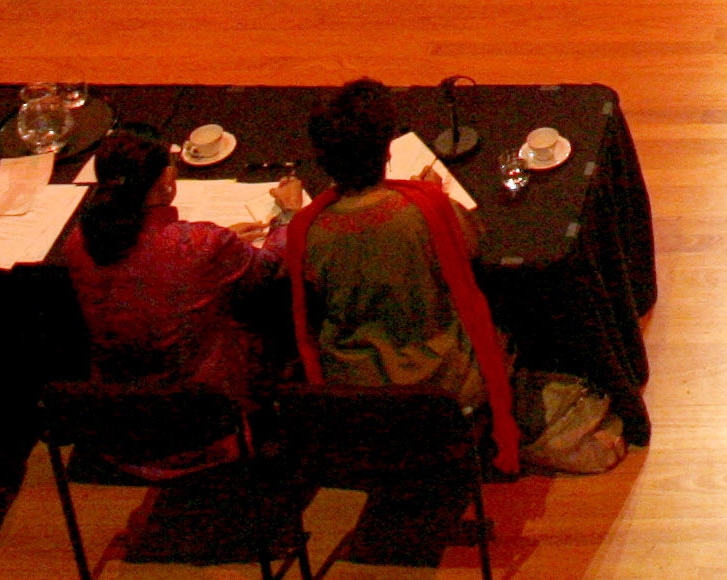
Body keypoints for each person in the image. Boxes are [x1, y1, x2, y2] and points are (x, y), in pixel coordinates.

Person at [273, 81, 530, 471]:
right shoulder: (423, 210)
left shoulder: (308, 230)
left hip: (351, 389)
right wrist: (433, 198)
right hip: (438, 382)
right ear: (387, 150)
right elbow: (471, 244)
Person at [65, 129, 304, 467]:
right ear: (165, 181)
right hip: (203, 423)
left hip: (122, 425)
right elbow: (272, 268)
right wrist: (289, 215)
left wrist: (220, 243)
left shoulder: (78, 243)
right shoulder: (200, 245)